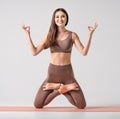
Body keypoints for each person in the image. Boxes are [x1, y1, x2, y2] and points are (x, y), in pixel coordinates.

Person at [22, 8, 98, 109]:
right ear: (54, 19)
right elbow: (34, 52)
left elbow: (84, 52)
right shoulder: (50, 35)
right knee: (38, 104)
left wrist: (90, 35)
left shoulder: (72, 35)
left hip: (68, 74)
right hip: (52, 74)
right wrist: (28, 35)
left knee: (81, 105)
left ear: (66, 19)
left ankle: (64, 88)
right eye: (57, 17)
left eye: (63, 16)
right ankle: (59, 88)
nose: (60, 19)